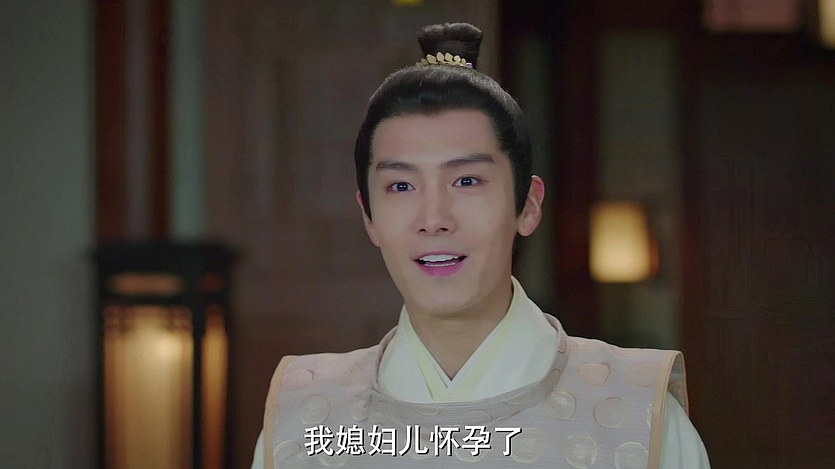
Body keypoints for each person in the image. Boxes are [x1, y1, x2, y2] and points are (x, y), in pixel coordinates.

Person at [252, 23, 709, 468]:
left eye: (466, 181)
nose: (433, 219)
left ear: (528, 205)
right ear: (368, 216)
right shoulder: (305, 417)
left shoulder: (634, 417)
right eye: (401, 186)